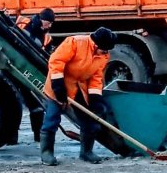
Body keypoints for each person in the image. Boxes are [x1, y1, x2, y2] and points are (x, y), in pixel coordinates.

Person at [39, 27, 118, 165]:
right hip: (59, 86)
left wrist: (95, 98)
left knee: (90, 119)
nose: (106, 53)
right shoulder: (75, 43)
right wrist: (58, 87)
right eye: (104, 49)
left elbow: (96, 77)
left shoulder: (103, 55)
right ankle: (47, 153)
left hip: (79, 88)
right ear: (96, 44)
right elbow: (56, 61)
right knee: (52, 119)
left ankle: (86, 152)